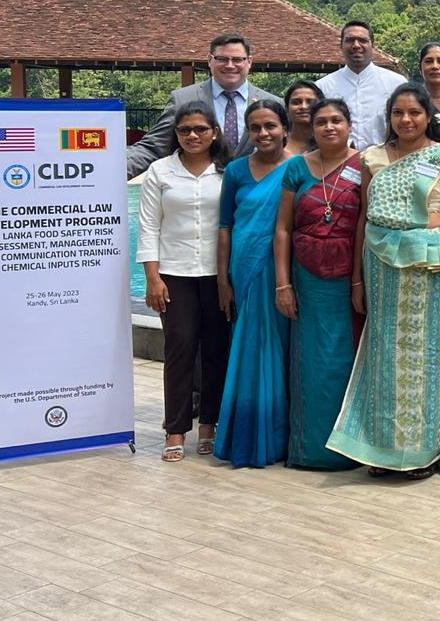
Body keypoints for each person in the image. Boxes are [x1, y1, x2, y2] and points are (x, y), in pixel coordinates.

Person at [327, 83, 440, 478]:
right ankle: (382, 450)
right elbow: (363, 218)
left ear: (427, 117)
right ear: (388, 117)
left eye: (414, 112)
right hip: (381, 267)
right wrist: (357, 280)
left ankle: (420, 453)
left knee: (427, 358)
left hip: (429, 269)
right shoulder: (372, 158)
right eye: (398, 113)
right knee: (385, 356)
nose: (406, 120)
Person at [137, 100, 231, 461]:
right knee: (179, 351)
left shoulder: (227, 172)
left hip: (218, 275)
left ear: (215, 133)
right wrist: (152, 277)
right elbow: (149, 226)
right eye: (184, 130)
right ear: (175, 134)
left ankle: (209, 424)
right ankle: (175, 429)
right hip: (174, 275)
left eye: (200, 129)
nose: (193, 136)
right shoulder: (160, 171)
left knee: (216, 350)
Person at [273, 98, 363, 470]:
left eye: (336, 120)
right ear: (312, 128)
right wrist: (283, 285)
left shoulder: (365, 165)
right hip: (307, 280)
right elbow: (283, 228)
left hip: (349, 280)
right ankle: (310, 449)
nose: (329, 127)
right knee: (311, 361)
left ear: (349, 125)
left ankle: (350, 449)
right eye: (321, 121)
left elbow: (366, 225)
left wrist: (359, 281)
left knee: (345, 360)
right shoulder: (296, 167)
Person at [214, 98, 296, 468]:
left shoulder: (298, 166)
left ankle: (280, 437)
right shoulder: (235, 171)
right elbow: (225, 227)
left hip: (283, 270)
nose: (263, 133)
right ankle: (248, 436)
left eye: (270, 126)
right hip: (245, 268)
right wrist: (223, 280)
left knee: (280, 348)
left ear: (285, 129)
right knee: (248, 347)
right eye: (256, 127)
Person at [126, 33, 278, 177]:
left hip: (254, 191)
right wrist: (114, 169)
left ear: (249, 62)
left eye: (237, 59)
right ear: (210, 60)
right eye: (222, 59)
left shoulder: (273, 104)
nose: (230, 65)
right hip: (197, 190)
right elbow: (153, 147)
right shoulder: (183, 99)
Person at [315, 20, 409, 148]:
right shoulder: (323, 87)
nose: (356, 45)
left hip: (386, 157)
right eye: (350, 40)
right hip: (336, 158)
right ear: (341, 45)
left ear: (373, 46)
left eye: (362, 40)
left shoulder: (396, 84)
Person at [282, 80, 321, 158]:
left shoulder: (331, 144)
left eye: (310, 102)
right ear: (287, 109)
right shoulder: (276, 145)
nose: (303, 107)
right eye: (296, 102)